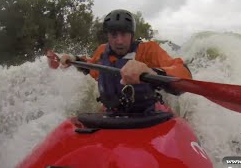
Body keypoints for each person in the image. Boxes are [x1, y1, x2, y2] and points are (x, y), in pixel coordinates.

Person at [61, 9, 192, 114]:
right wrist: (74, 60)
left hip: (147, 114)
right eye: (114, 35)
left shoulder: (148, 50)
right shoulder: (102, 51)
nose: (119, 41)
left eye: (124, 34)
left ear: (132, 35)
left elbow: (183, 72)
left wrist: (152, 72)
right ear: (107, 35)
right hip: (111, 114)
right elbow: (91, 67)